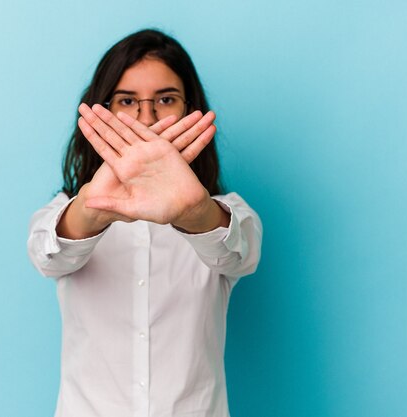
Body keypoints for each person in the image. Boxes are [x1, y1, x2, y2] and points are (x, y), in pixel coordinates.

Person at [27, 29, 262, 417]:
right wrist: (92, 205)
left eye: (165, 99)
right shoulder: (67, 211)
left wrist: (194, 211)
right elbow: (47, 253)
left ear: (190, 109)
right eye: (127, 101)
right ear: (103, 108)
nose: (146, 117)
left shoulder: (226, 211)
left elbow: (240, 252)